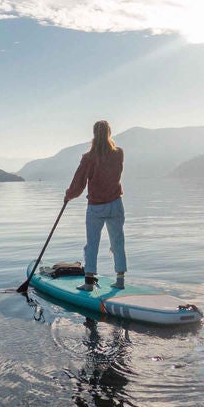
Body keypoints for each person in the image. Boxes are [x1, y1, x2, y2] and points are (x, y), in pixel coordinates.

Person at [64, 120, 126, 291]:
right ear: (109, 133)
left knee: (92, 244)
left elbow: (78, 183)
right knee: (118, 242)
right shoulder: (119, 153)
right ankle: (120, 280)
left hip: (96, 206)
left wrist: (69, 196)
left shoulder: (88, 158)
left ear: (94, 134)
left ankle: (89, 283)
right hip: (115, 203)